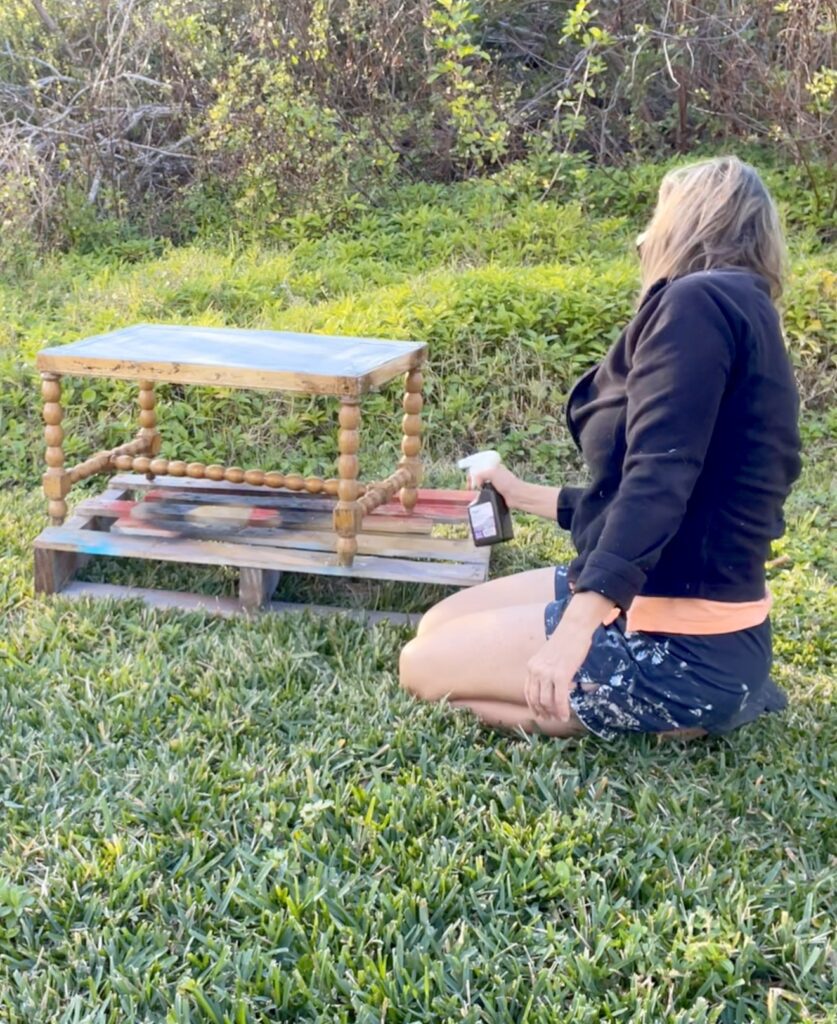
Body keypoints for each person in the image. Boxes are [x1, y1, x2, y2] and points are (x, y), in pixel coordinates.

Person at [399, 156, 802, 741]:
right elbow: (679, 485)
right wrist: (519, 493)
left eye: (658, 215)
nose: (645, 234)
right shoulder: (744, 307)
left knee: (421, 667)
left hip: (682, 637)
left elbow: (659, 482)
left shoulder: (697, 304)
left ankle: (679, 713)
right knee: (436, 625)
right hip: (681, 605)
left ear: (688, 223)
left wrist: (573, 634)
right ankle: (704, 698)